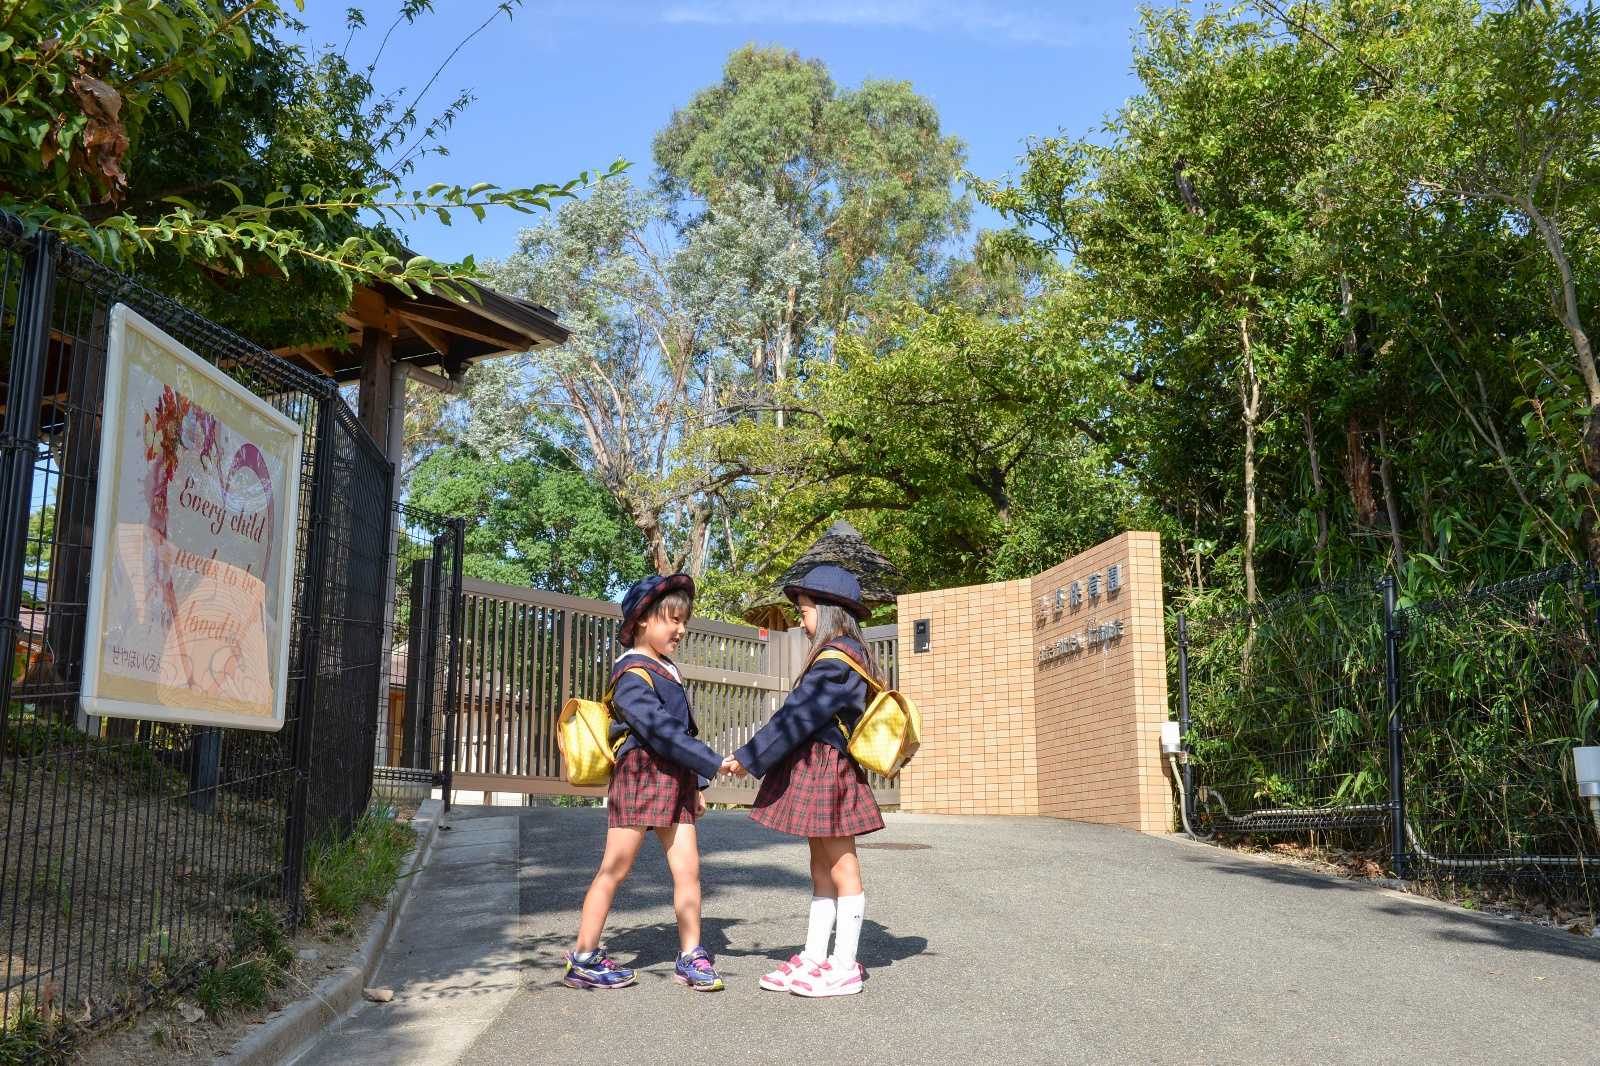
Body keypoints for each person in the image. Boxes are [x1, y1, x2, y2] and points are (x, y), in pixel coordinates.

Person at [722, 563, 885, 998]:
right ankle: (816, 955)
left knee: (841, 864)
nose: (800, 618)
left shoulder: (838, 660)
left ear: (829, 610)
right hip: (819, 764)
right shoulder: (842, 656)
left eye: (805, 609)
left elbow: (796, 717)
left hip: (828, 766)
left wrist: (747, 756)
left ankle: (845, 964)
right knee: (820, 863)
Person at [563, 574, 729, 992]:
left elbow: (680, 734)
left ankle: (692, 954)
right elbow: (659, 731)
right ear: (641, 621)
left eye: (683, 620)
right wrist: (713, 763)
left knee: (688, 870)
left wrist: (696, 787)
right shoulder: (632, 674)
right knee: (614, 869)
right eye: (671, 619)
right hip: (640, 776)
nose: (680, 629)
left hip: (676, 778)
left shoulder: (666, 668)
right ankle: (583, 957)